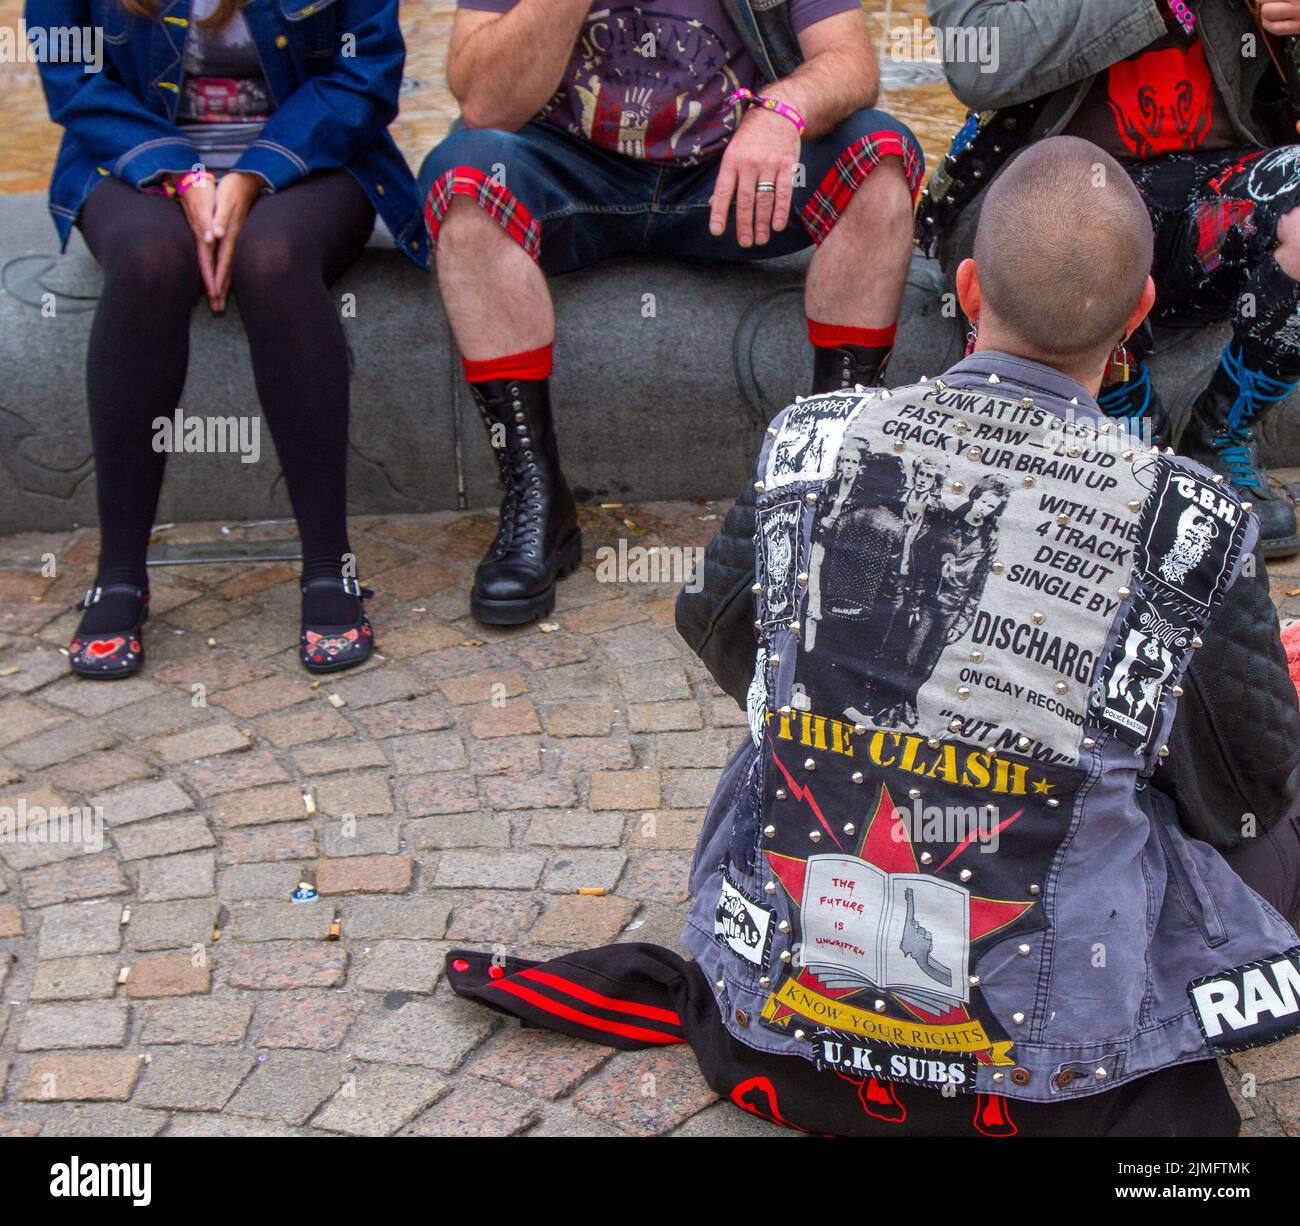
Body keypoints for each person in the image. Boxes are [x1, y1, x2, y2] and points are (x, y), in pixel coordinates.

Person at [448, 138, 1300, 1138]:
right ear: (1139, 315)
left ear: (968, 286)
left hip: (781, 1029)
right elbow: (1244, 798)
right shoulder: (1187, 516)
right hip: (1063, 1075)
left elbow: (722, 631)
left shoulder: (812, 438)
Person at [418, 0, 923, 625]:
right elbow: (486, 106)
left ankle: (828, 491)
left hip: (731, 182)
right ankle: (535, 498)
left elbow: (850, 63)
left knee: (880, 154)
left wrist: (782, 109)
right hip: (568, 175)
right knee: (465, 176)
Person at [27, 0, 427, 679]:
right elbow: (71, 73)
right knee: (153, 262)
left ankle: (330, 565)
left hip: (315, 161)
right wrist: (179, 172)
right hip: (129, 160)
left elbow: (369, 73)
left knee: (270, 262)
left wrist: (249, 175)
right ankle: (119, 572)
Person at [919, 0, 1300, 559]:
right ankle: (1126, 440)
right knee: (1088, 222)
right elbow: (978, 61)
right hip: (1051, 194)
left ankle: (1222, 435)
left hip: (1217, 191)